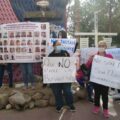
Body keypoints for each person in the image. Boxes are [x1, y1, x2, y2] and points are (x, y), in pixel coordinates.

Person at [48, 31, 75, 112]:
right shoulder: (50, 55)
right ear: (54, 46)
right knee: (57, 92)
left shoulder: (65, 53)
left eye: (60, 45)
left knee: (67, 91)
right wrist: (44, 66)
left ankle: (70, 105)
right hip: (55, 79)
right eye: (57, 45)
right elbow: (48, 67)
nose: (59, 46)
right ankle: (59, 105)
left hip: (66, 77)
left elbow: (70, 64)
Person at [87, 40, 113, 118]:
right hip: (96, 79)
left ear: (105, 47)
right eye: (100, 46)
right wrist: (90, 60)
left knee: (105, 95)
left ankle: (105, 110)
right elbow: (87, 65)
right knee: (97, 94)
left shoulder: (109, 56)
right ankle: (96, 106)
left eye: (103, 46)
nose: (101, 47)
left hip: (105, 80)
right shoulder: (94, 56)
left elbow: (113, 67)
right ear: (98, 47)